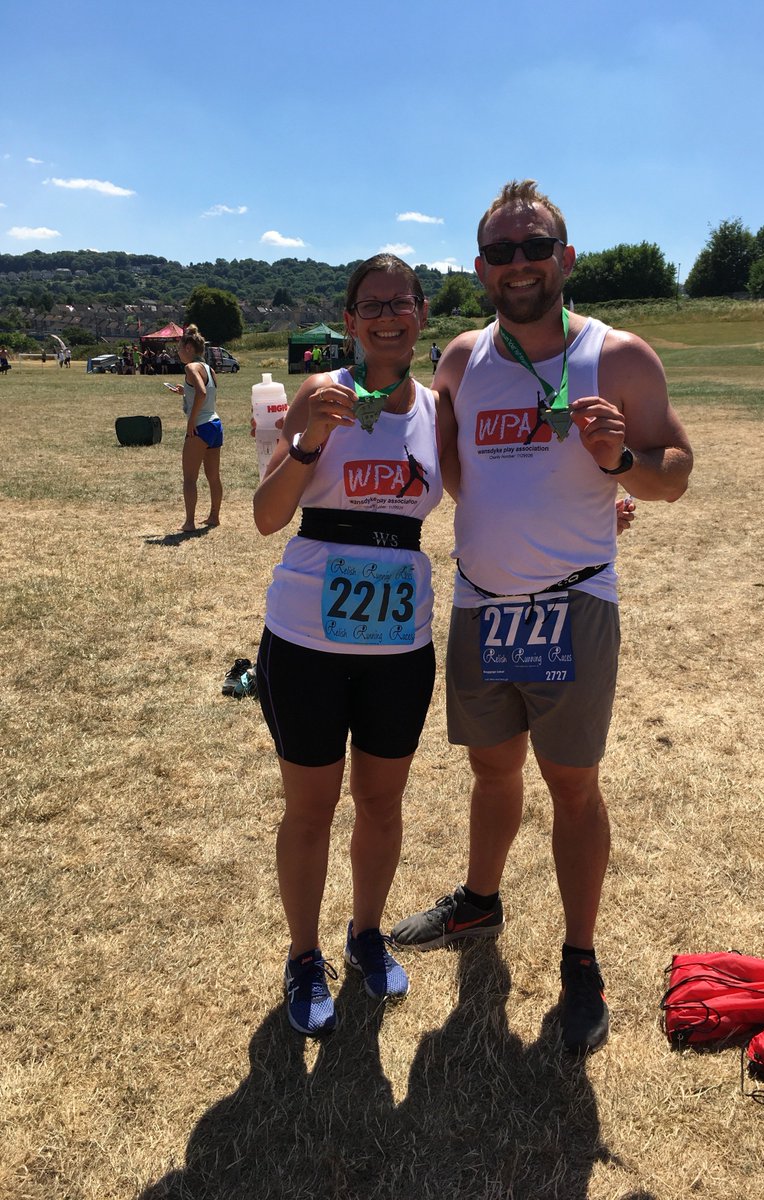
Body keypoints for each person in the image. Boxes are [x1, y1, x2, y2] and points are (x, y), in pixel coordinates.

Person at [391, 179, 693, 1055]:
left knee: (572, 784)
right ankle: (479, 903)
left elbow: (674, 470)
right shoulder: (460, 360)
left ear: (566, 257)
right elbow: (444, 471)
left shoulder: (618, 356)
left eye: (535, 247)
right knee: (492, 771)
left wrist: (622, 464)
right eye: (501, 251)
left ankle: (580, 959)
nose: (518, 263)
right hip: (482, 602)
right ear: (480, 267)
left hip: (573, 603)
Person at [253, 253, 455, 1037]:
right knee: (310, 809)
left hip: (398, 646)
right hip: (306, 636)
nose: (387, 316)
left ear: (421, 315)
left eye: (401, 303)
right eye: (371, 304)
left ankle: (365, 933)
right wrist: (309, 440)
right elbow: (267, 515)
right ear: (350, 320)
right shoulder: (319, 391)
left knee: (380, 803)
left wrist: (593, 509)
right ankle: (304, 955)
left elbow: (488, 494)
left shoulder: (437, 410)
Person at [170, 323, 223, 531]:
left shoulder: (191, 368)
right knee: (214, 477)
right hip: (215, 424)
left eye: (179, 349)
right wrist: (185, 391)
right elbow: (206, 394)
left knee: (190, 478)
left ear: (189, 348)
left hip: (200, 426)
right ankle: (214, 516)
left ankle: (189, 522)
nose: (178, 353)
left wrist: (191, 420)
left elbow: (201, 393)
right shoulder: (209, 369)